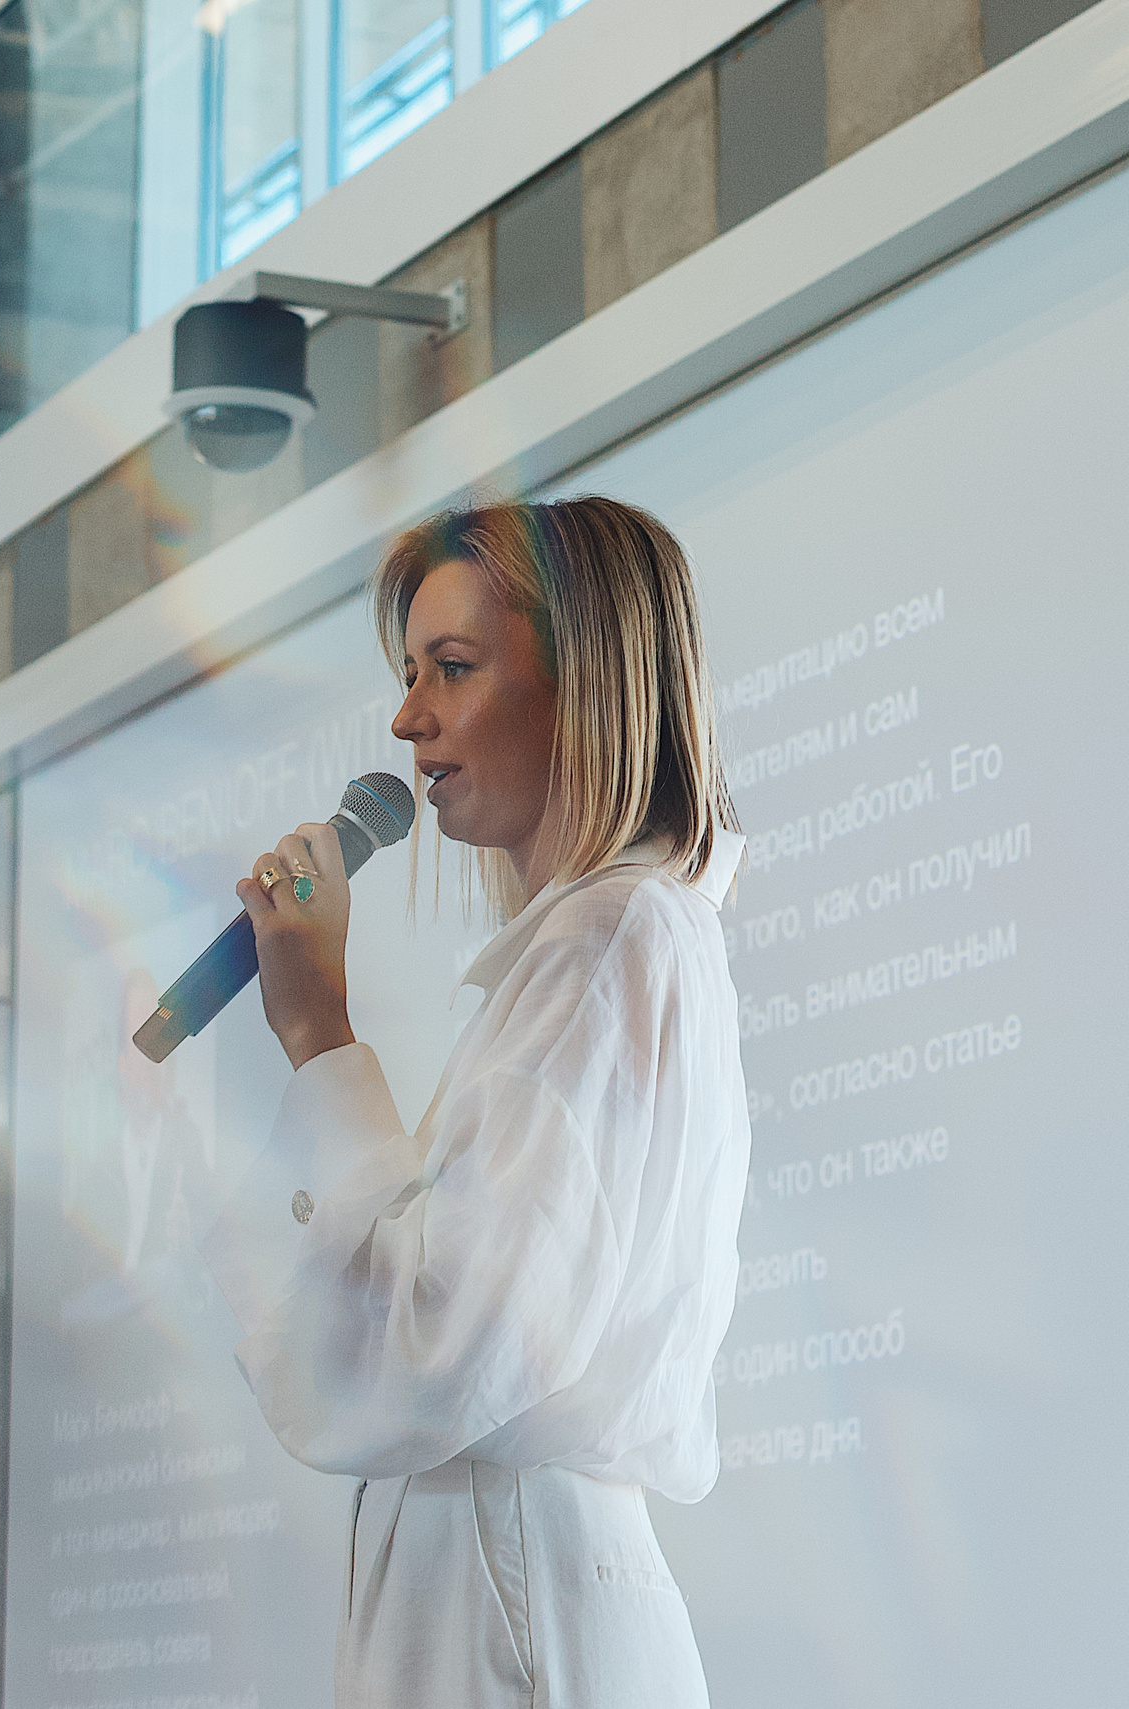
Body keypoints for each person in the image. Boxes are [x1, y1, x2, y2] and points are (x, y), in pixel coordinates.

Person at [200, 496, 751, 1708]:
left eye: (451, 668)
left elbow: (446, 1341)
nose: (406, 720)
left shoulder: (611, 938)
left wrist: (318, 1034)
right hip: (507, 1583)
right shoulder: (598, 944)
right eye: (409, 674)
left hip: (515, 1594)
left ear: (587, 685)